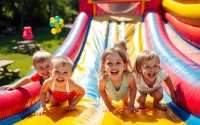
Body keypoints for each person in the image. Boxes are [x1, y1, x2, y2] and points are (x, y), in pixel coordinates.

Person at [99, 47, 137, 113]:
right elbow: (101, 91)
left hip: (125, 95)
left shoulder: (129, 77)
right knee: (108, 102)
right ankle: (107, 103)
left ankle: (126, 102)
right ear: (103, 67)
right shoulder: (104, 80)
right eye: (109, 63)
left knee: (125, 103)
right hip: (110, 95)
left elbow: (133, 89)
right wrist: (107, 103)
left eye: (118, 62)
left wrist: (131, 103)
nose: (114, 66)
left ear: (125, 66)